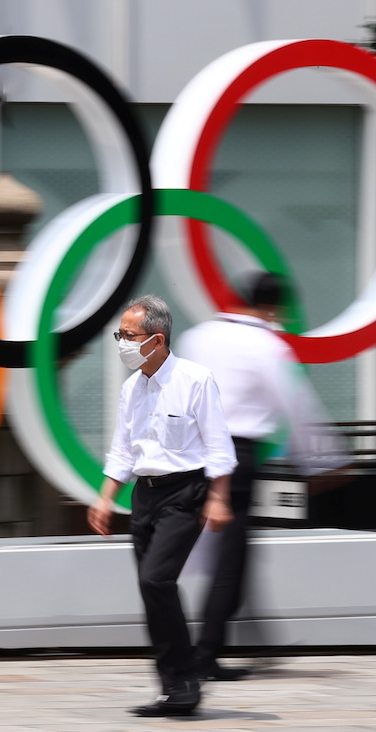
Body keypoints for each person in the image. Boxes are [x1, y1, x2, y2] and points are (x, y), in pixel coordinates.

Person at [174, 271, 350, 682]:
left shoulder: (196, 337)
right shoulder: (267, 345)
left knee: (198, 550)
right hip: (235, 455)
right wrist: (323, 461)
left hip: (189, 449)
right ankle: (204, 655)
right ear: (274, 308)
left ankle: (199, 648)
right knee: (230, 558)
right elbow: (296, 404)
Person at [88, 294, 238, 717]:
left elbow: (218, 445)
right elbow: (123, 448)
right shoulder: (132, 387)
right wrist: (105, 497)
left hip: (184, 493)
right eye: (119, 335)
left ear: (156, 340)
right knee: (151, 591)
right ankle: (175, 688)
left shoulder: (195, 379)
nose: (120, 343)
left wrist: (219, 497)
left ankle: (186, 677)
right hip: (145, 495)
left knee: (157, 580)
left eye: (127, 335)